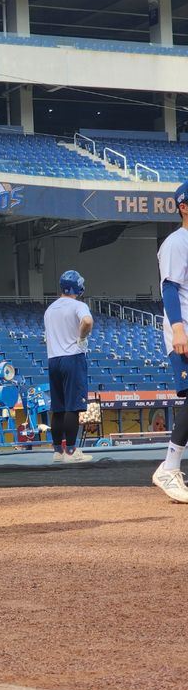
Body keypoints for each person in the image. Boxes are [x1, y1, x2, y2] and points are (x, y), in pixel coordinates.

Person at [153, 180, 188, 503]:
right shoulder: (177, 242)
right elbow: (169, 288)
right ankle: (169, 465)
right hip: (186, 332)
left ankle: (172, 464)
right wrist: (178, 328)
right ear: (184, 206)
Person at [43, 270, 93, 463]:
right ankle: (71, 452)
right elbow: (87, 321)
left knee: (58, 407)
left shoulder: (49, 310)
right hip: (72, 357)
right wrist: (81, 337)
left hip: (53, 359)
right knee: (73, 407)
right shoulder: (78, 305)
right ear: (77, 287)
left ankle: (57, 451)